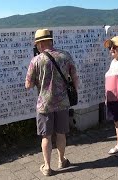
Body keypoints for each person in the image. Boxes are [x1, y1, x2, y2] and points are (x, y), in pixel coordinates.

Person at [25, 29, 78, 176]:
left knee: (46, 136)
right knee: (61, 133)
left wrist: (39, 80)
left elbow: (28, 85)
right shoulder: (65, 56)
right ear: (51, 41)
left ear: (40, 44)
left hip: (44, 105)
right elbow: (75, 79)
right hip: (62, 102)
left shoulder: (36, 60)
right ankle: (62, 160)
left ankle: (47, 167)